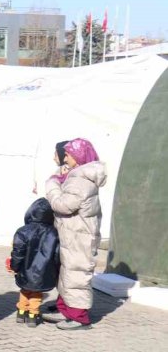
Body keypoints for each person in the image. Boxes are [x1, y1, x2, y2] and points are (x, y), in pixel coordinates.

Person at [43, 138, 106, 330]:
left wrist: (52, 185)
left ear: (78, 156)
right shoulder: (79, 176)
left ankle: (79, 317)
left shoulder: (80, 180)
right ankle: (66, 309)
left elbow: (63, 205)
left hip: (79, 237)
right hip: (75, 234)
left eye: (69, 154)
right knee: (68, 273)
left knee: (76, 274)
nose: (66, 158)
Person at [9, 197, 60, 327]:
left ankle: (21, 312)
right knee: (36, 294)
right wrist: (56, 270)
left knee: (25, 290)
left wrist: (14, 266)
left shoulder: (22, 231)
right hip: (43, 271)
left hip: (25, 270)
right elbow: (57, 254)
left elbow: (17, 252)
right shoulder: (53, 233)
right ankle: (32, 315)